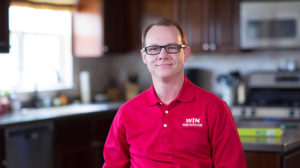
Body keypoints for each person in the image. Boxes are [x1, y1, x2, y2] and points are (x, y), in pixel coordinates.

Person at [102, 18, 247, 168]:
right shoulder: (126, 112)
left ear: (186, 52)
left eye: (172, 47)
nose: (162, 55)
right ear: (144, 56)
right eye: (153, 49)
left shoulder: (215, 109)